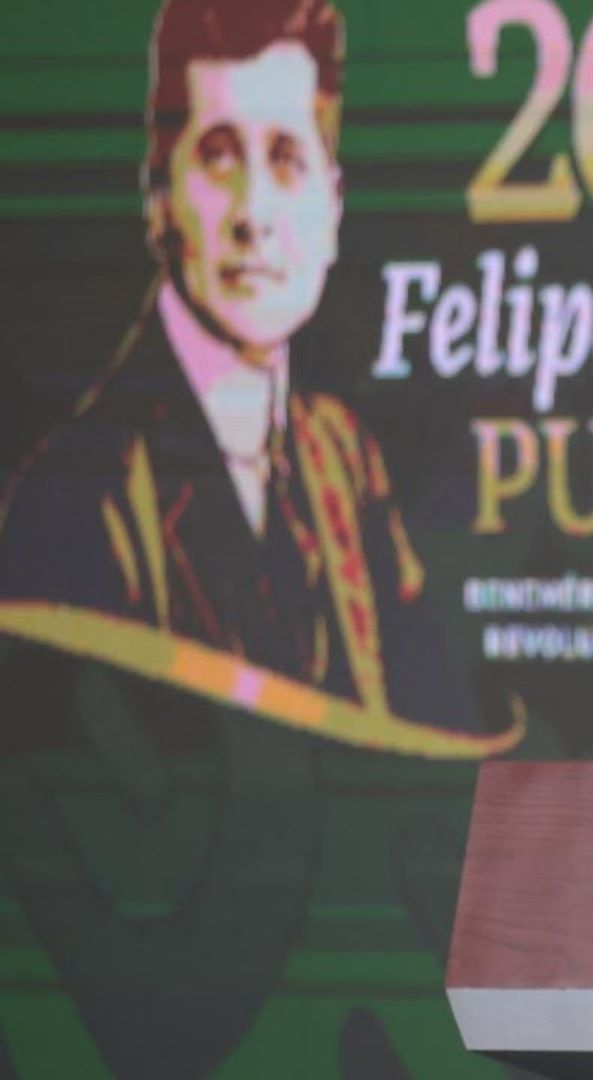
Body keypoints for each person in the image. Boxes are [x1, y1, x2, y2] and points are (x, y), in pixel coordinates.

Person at [0, 0, 491, 749]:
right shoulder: (77, 498)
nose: (252, 213)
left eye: (287, 158)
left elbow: (437, 737)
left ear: (333, 207)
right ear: (158, 198)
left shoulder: (343, 455)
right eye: (219, 155)